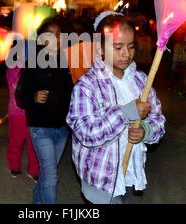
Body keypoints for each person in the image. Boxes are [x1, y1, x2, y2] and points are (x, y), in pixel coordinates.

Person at [66, 13, 166, 204]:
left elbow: (158, 119)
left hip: (129, 174)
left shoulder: (141, 81)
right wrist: (126, 112)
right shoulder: (87, 86)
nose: (126, 54)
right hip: (101, 180)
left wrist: (146, 131)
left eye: (130, 47)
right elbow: (86, 133)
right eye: (118, 47)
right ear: (100, 47)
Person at [16, 17, 74, 204]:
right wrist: (32, 97)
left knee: (48, 172)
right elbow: (20, 95)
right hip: (40, 127)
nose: (56, 39)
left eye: (59, 35)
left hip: (62, 128)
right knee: (51, 176)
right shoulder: (33, 61)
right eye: (51, 35)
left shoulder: (68, 61)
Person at [6, 64, 40, 181]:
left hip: (31, 114)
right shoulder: (12, 71)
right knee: (16, 142)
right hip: (16, 114)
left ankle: (34, 169)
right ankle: (14, 165)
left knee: (33, 143)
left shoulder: (33, 69)